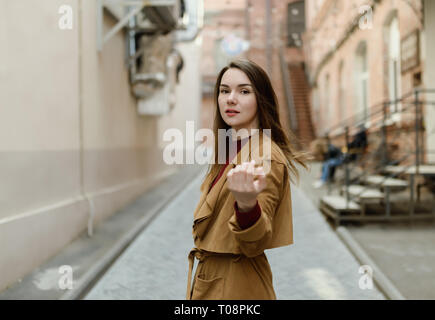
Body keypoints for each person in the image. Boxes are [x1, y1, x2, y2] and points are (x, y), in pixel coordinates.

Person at [186, 59, 308, 300]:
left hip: (236, 286)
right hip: (213, 280)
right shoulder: (230, 146)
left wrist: (247, 206)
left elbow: (256, 241)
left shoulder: (264, 155)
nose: (231, 98)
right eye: (224, 91)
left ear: (260, 99)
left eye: (244, 91)